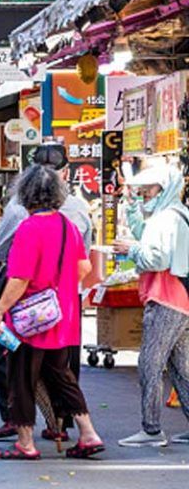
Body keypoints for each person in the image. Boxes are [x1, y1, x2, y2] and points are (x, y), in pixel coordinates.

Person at [0, 164, 104, 460]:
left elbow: (19, 279)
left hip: (30, 321)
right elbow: (84, 267)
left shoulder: (28, 228)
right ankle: (88, 434)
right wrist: (58, 286)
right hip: (61, 316)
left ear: (25, 194)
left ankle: (25, 443)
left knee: (22, 379)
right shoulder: (68, 226)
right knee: (62, 377)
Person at [114, 164, 189, 447]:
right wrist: (132, 205)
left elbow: (157, 259)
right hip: (181, 299)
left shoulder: (167, 219)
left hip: (166, 298)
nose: (146, 194)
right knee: (181, 368)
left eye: (150, 189)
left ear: (164, 188)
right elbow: (145, 232)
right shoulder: (176, 214)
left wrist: (131, 250)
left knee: (150, 363)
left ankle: (152, 429)